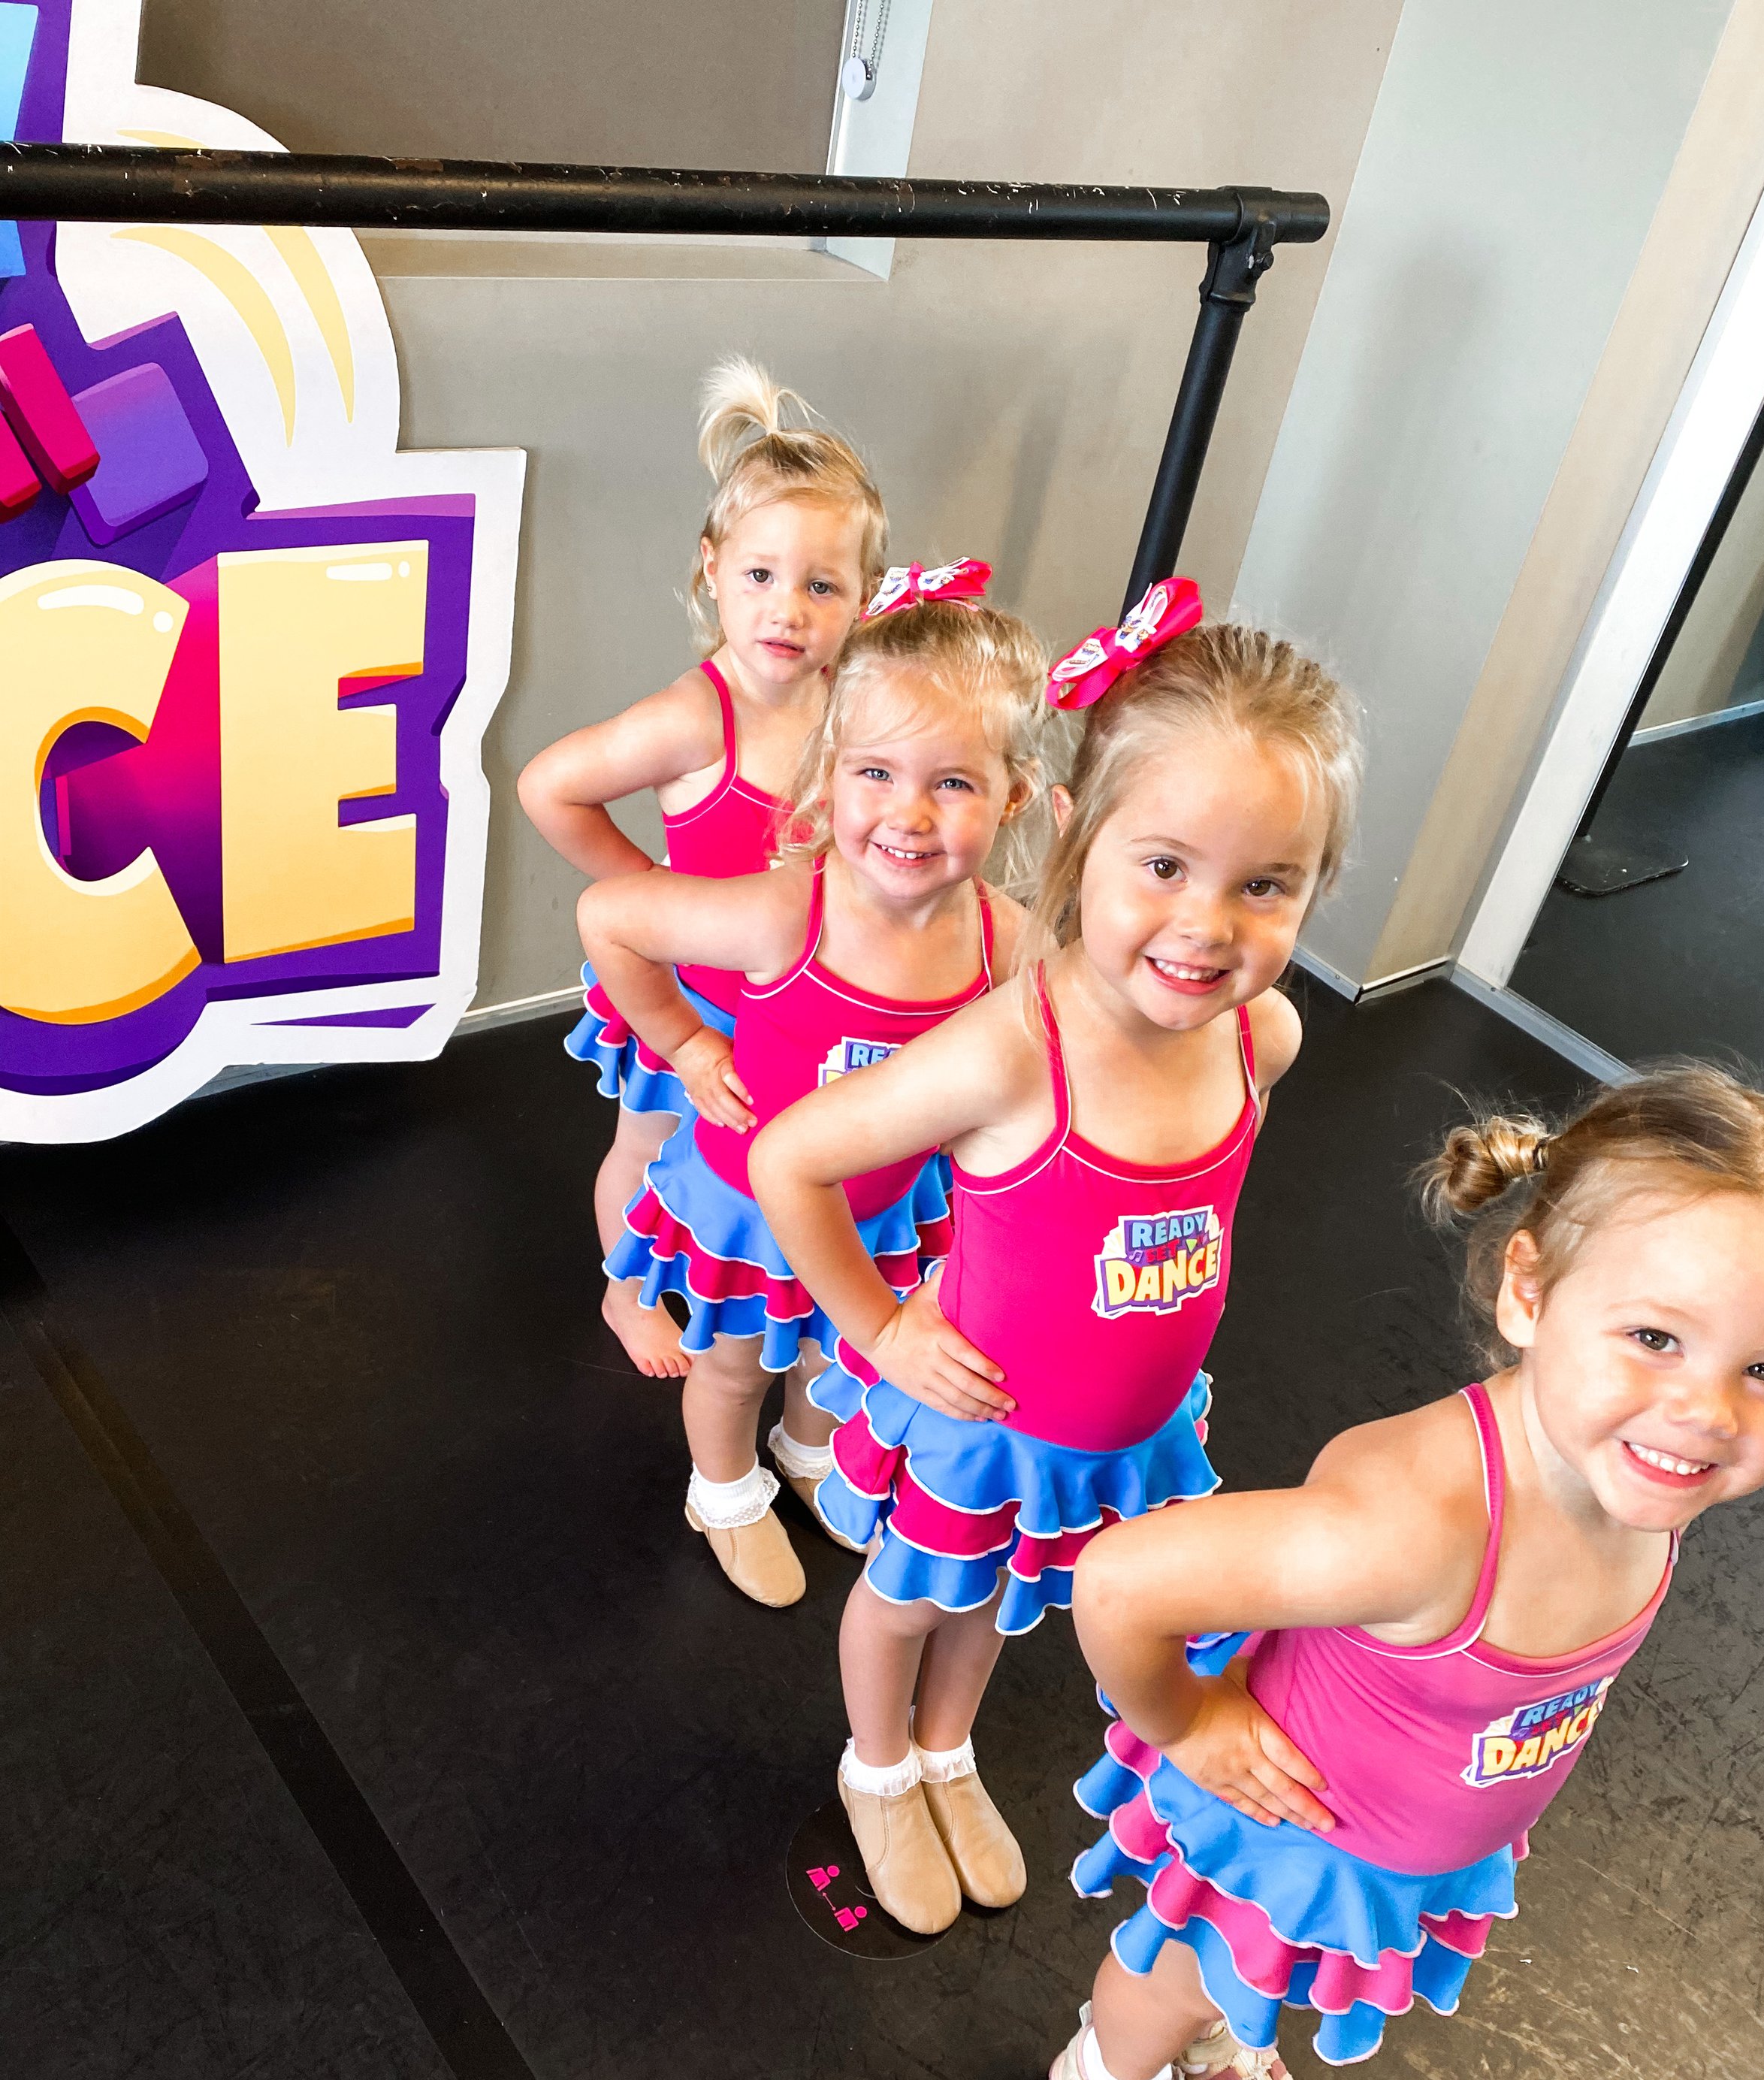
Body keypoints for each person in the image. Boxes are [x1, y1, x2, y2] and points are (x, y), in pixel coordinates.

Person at [1053, 1066, 1764, 2080]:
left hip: (1412, 1833)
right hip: (1296, 1827)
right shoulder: (1411, 1523)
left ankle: (1211, 2027)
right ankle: (1112, 2071)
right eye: (1654, 1337)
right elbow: (1123, 1579)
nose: (1707, 1411)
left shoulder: (1644, 1468)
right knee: (1184, 1966)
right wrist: (1185, 1723)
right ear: (1531, 1291)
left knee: (1243, 1978)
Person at [752, 584, 1361, 1936]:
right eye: (1165, 866)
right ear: (1078, 835)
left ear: (1314, 889)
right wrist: (878, 1328)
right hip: (980, 1423)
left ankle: (951, 1748)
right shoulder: (1009, 1050)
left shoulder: (1264, 1043)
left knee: (1002, 1606)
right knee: (905, 1601)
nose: (1207, 925)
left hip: (1118, 1442)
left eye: (1265, 885)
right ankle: (878, 1761)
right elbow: (788, 1156)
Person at [576, 579, 1045, 1607]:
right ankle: (723, 1485)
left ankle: (805, 1446)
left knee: (835, 1354)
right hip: (751, 1206)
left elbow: (1061, 1046)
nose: (909, 816)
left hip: (878, 1208)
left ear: (1014, 796)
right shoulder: (790, 910)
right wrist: (689, 1044)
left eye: (955, 783)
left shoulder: (1006, 939)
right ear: (830, 776)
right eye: (876, 772)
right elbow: (610, 914)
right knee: (737, 1364)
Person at [518, 356, 886, 1378]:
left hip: (799, 1004)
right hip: (691, 1001)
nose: (788, 609)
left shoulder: (853, 707)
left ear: (864, 600)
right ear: (711, 569)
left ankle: (795, 1308)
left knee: (776, 1171)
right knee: (650, 1150)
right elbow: (550, 785)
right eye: (762, 576)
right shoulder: (694, 717)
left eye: (822, 585)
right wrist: (653, 898)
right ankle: (623, 1287)